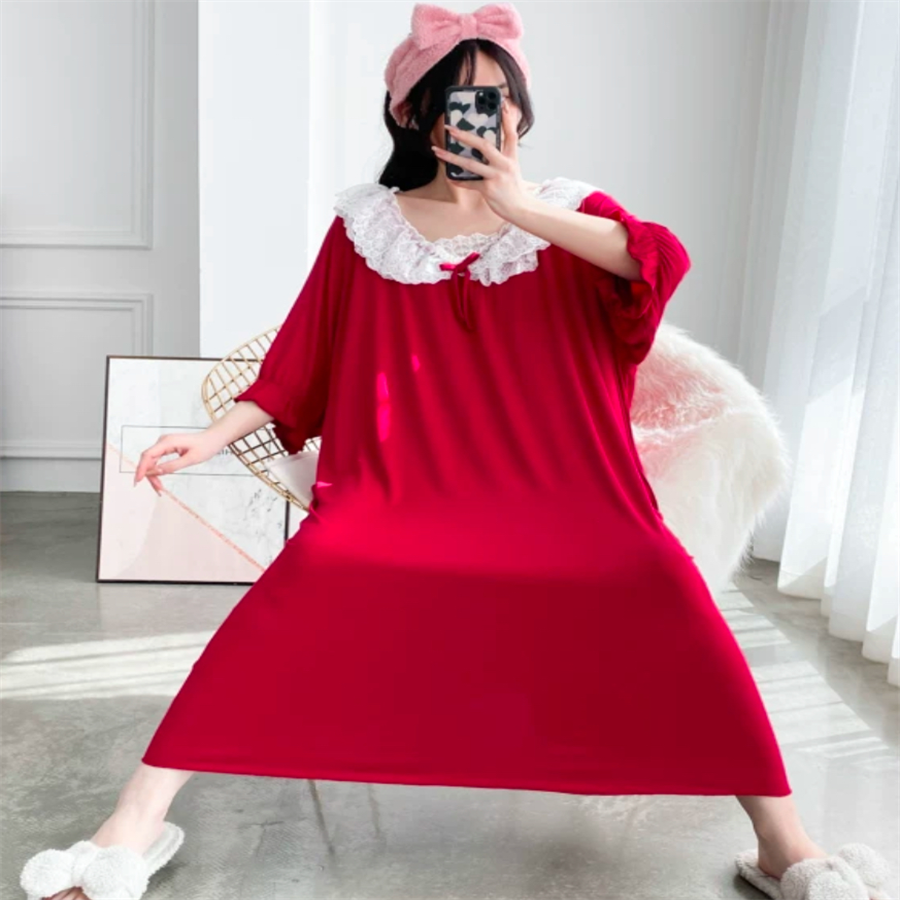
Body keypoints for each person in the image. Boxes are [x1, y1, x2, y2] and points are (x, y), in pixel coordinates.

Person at [20, 4, 890, 900]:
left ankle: (782, 840)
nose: (486, 114)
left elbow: (656, 262)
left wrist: (522, 209)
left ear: (520, 110)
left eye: (500, 97)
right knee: (308, 577)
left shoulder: (571, 216)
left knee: (659, 581)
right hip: (396, 498)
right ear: (413, 112)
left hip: (576, 499)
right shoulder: (366, 230)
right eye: (460, 97)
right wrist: (206, 437)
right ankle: (136, 819)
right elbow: (299, 363)